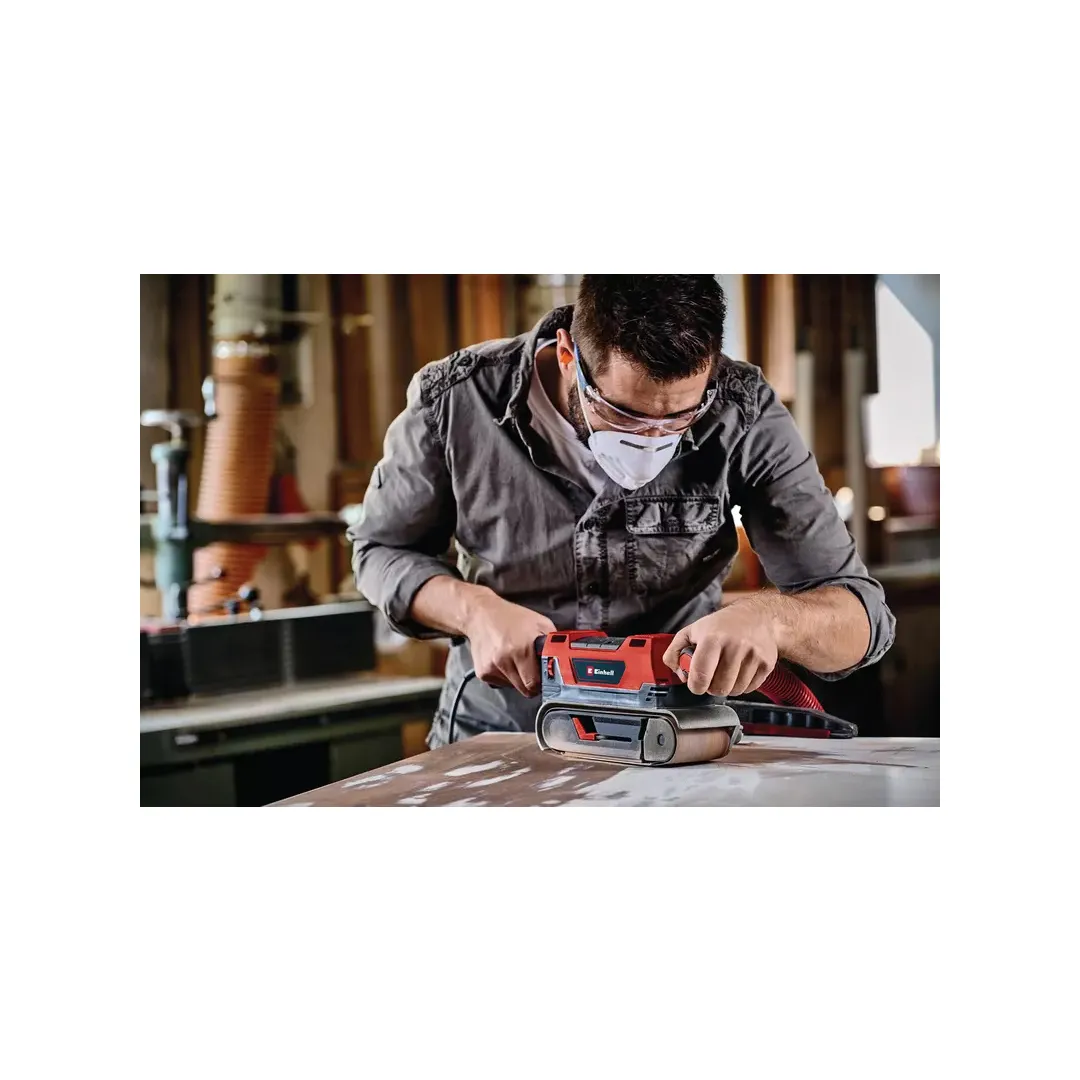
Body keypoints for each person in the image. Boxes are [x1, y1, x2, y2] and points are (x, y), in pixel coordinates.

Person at [347, 275, 895, 747]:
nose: (653, 441)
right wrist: (473, 610)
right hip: (502, 735)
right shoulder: (454, 400)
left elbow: (861, 617)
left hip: (676, 736)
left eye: (681, 417)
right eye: (625, 417)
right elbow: (380, 550)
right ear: (569, 357)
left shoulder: (741, 409)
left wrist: (771, 620)